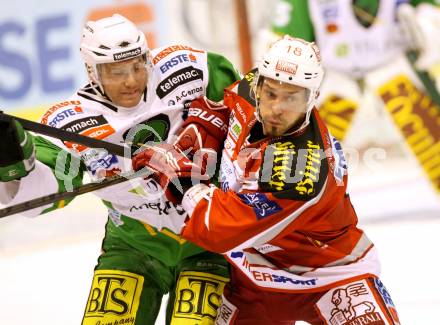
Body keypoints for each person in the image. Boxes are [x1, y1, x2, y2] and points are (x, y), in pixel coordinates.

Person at [134, 36, 401, 324]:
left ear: (312, 99)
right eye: (271, 93)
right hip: (254, 281)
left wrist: (179, 178)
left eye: (292, 99)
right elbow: (220, 107)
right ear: (259, 84)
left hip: (331, 277)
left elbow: (222, 229)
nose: (277, 108)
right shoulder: (252, 87)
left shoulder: (299, 168)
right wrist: (201, 133)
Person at [0, 14, 240, 324]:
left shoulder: (192, 70)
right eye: (116, 72)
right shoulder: (69, 122)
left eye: (137, 66)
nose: (130, 80)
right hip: (134, 245)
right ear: (92, 71)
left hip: (210, 239)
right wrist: (17, 162)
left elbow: (248, 116)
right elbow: (46, 193)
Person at [266, 0, 440, 193]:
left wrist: (428, 21)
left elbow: (429, 10)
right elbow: (286, 43)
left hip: (393, 59)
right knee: (305, 153)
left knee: (424, 129)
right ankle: (288, 202)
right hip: (333, 72)